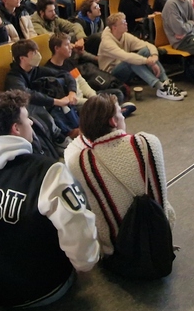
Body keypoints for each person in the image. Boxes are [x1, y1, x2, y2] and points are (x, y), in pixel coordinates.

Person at [0, 90, 100, 307]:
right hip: (47, 288)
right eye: (26, 118)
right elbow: (80, 234)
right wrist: (86, 264)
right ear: (16, 129)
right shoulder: (49, 173)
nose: (30, 121)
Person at [65, 94, 175, 256]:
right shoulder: (148, 143)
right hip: (160, 240)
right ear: (113, 121)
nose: (123, 116)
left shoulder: (78, 162)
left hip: (118, 253)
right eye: (120, 113)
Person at [98, 13, 183, 101]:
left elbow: (147, 45)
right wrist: (147, 61)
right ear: (114, 27)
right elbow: (126, 57)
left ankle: (166, 83)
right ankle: (160, 87)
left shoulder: (124, 35)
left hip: (125, 68)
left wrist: (154, 56)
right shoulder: (106, 42)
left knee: (145, 51)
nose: (126, 23)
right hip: (111, 76)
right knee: (132, 60)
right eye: (123, 22)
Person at [5, 38, 80, 134]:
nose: (38, 55)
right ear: (22, 58)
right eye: (33, 53)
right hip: (25, 110)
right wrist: (57, 101)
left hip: (46, 106)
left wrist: (72, 93)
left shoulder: (35, 69)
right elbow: (28, 95)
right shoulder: (13, 77)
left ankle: (74, 127)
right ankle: (62, 136)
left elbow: (65, 74)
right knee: (37, 107)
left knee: (58, 84)